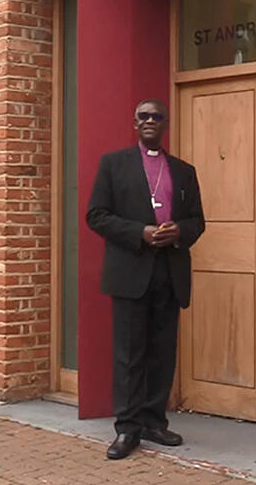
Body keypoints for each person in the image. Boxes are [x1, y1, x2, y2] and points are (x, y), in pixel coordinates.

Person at [86, 98, 205, 460]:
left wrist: (178, 231)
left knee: (162, 353)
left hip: (169, 272)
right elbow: (96, 216)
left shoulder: (184, 170)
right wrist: (140, 232)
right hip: (130, 273)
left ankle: (155, 421)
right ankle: (128, 428)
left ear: (165, 124)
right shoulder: (113, 164)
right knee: (129, 355)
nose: (150, 120)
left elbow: (198, 221)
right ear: (135, 123)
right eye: (144, 116)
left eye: (157, 116)